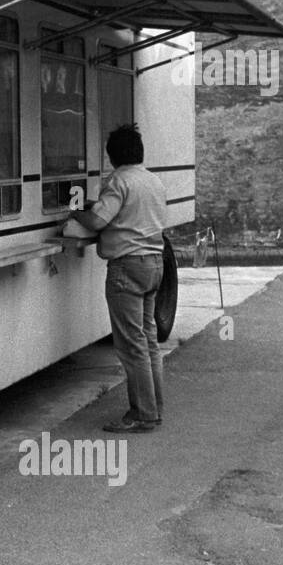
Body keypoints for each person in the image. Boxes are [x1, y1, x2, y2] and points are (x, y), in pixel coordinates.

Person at [69, 124, 168, 433]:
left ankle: (142, 414)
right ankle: (154, 407)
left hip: (126, 267)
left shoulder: (119, 181)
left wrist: (76, 214)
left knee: (131, 346)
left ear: (113, 156)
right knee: (148, 341)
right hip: (154, 264)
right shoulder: (153, 181)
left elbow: (98, 219)